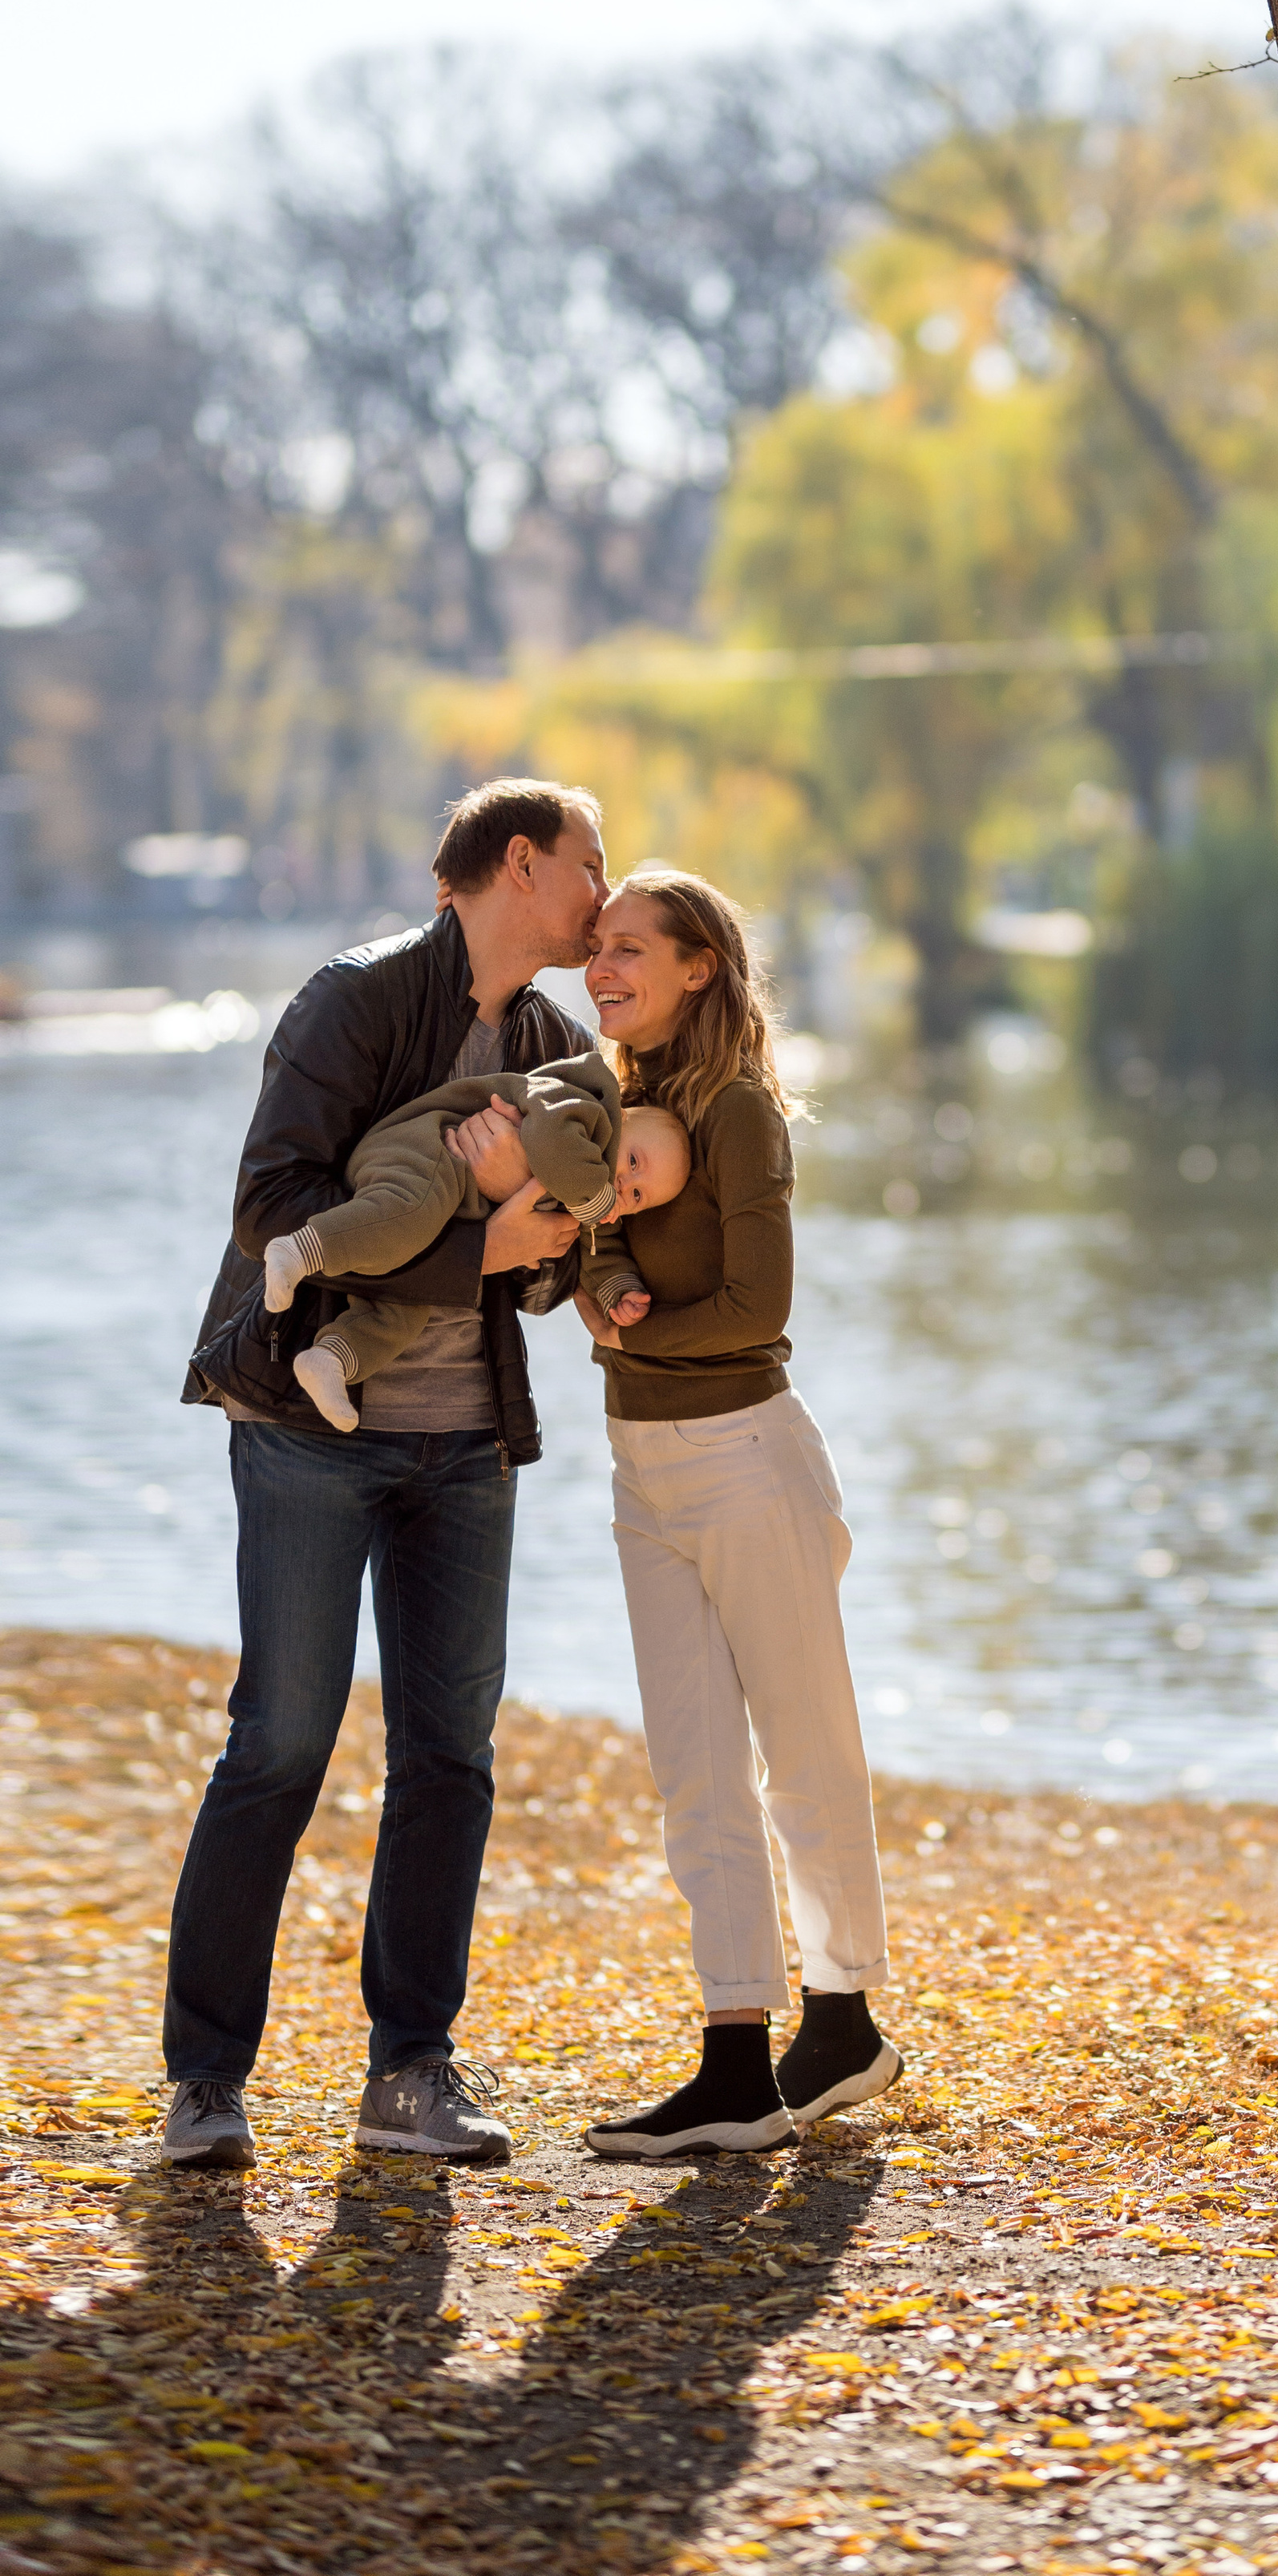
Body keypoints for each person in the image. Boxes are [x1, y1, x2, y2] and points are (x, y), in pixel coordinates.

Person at [164, 777, 610, 2173]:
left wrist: (549, 1243)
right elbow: (274, 1204)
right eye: (591, 867)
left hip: (467, 1444)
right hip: (310, 1432)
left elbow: (553, 1268)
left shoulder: (551, 1039)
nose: (605, 894)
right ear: (522, 866)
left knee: (448, 1762)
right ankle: (205, 2082)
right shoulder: (355, 999)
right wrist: (474, 1242)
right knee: (280, 1746)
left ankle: (409, 2073)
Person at [536, 865, 900, 2157]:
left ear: (700, 965)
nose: (603, 969)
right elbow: (593, 1244)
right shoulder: (612, 1104)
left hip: (748, 1457)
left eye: (631, 948)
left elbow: (760, 1310)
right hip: (644, 1472)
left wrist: (635, 1333)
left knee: (806, 1755)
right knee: (696, 1774)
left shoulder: (741, 1112)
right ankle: (736, 2058)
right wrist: (611, 1270)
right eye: (597, 951)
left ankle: (846, 2013)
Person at [261, 1061, 686, 1431]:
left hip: (451, 1205)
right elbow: (551, 1141)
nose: (625, 1184)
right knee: (406, 1215)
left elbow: (598, 1248)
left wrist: (618, 1288)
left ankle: (331, 1360)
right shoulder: (583, 1106)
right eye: (633, 1163)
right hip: (428, 1152)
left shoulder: (591, 1191)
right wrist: (597, 1199)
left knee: (405, 1306)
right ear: (623, 1119)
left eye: (637, 1196)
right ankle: (299, 1251)